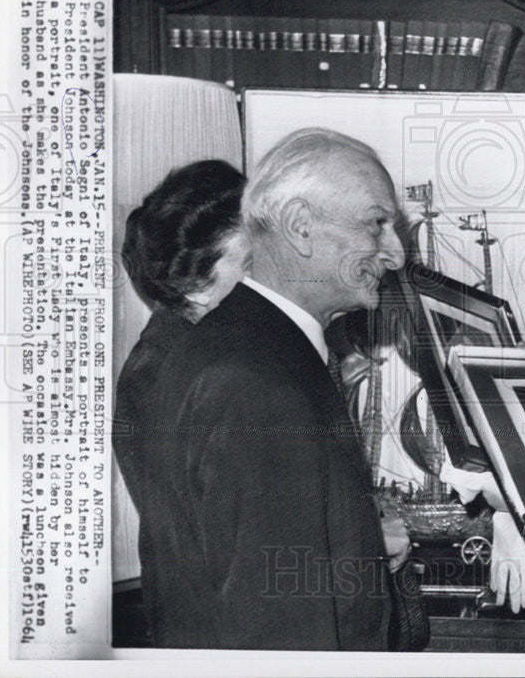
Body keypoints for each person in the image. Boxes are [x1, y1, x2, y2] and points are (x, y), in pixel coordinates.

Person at [142, 129, 409, 650]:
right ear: (300, 228)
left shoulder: (242, 345)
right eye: (377, 224)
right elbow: (279, 629)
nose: (395, 254)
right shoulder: (258, 384)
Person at [113, 159, 250, 601]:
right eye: (251, 263)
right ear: (196, 286)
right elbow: (228, 547)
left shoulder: (203, 352)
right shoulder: (168, 376)